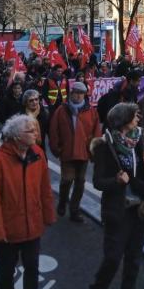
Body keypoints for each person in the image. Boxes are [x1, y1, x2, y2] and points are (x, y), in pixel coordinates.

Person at [88, 103, 144, 289]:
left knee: (134, 258)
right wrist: (116, 181)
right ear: (123, 119)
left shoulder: (138, 140)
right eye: (134, 116)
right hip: (118, 210)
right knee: (113, 258)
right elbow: (98, 182)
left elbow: (142, 175)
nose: (137, 119)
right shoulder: (104, 146)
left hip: (139, 208)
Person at [0, 114, 55, 289]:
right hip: (9, 229)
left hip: (33, 225)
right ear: (16, 137)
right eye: (29, 130)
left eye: (35, 129)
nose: (35, 133)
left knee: (32, 267)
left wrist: (48, 215)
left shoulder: (38, 154)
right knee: (7, 270)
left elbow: (44, 187)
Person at [48, 82, 101, 222]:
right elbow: (54, 131)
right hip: (67, 152)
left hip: (83, 153)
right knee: (67, 180)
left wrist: (94, 151)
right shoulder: (61, 110)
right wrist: (57, 149)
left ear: (84, 95)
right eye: (75, 93)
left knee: (80, 182)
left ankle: (74, 210)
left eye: (81, 93)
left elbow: (96, 133)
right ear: (71, 93)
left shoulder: (91, 111)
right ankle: (62, 201)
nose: (78, 96)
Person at [22, 89, 50, 153]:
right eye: (31, 100)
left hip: (41, 149)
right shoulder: (21, 116)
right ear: (26, 102)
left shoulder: (44, 113)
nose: (34, 102)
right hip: (26, 150)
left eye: (36, 99)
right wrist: (32, 118)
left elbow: (49, 131)